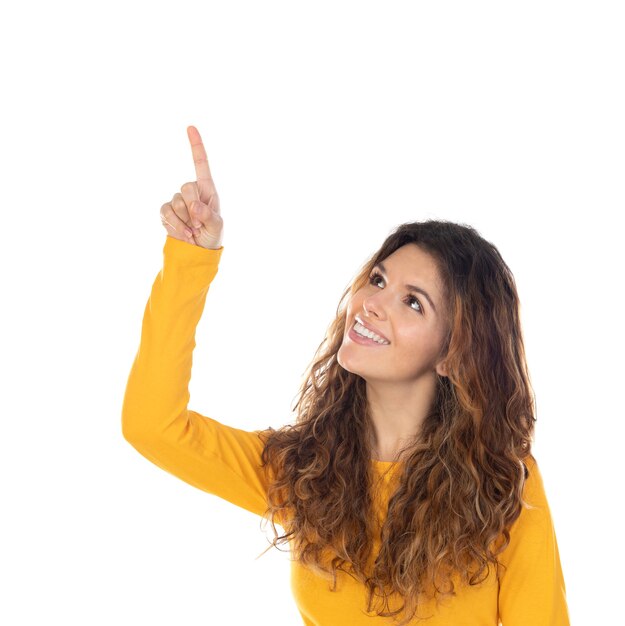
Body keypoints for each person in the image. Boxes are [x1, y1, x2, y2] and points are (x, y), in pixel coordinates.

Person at [121, 126, 570, 625]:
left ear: (453, 353)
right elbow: (152, 425)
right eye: (378, 280)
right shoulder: (305, 472)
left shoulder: (505, 487)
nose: (372, 304)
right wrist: (190, 259)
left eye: (412, 302)